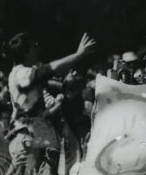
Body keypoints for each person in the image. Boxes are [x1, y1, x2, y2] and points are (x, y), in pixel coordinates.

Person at [6, 31, 97, 167]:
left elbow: (55, 83)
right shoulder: (21, 73)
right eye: (34, 46)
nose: (37, 48)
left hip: (37, 141)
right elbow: (48, 71)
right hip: (27, 141)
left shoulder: (27, 75)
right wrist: (78, 55)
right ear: (26, 52)